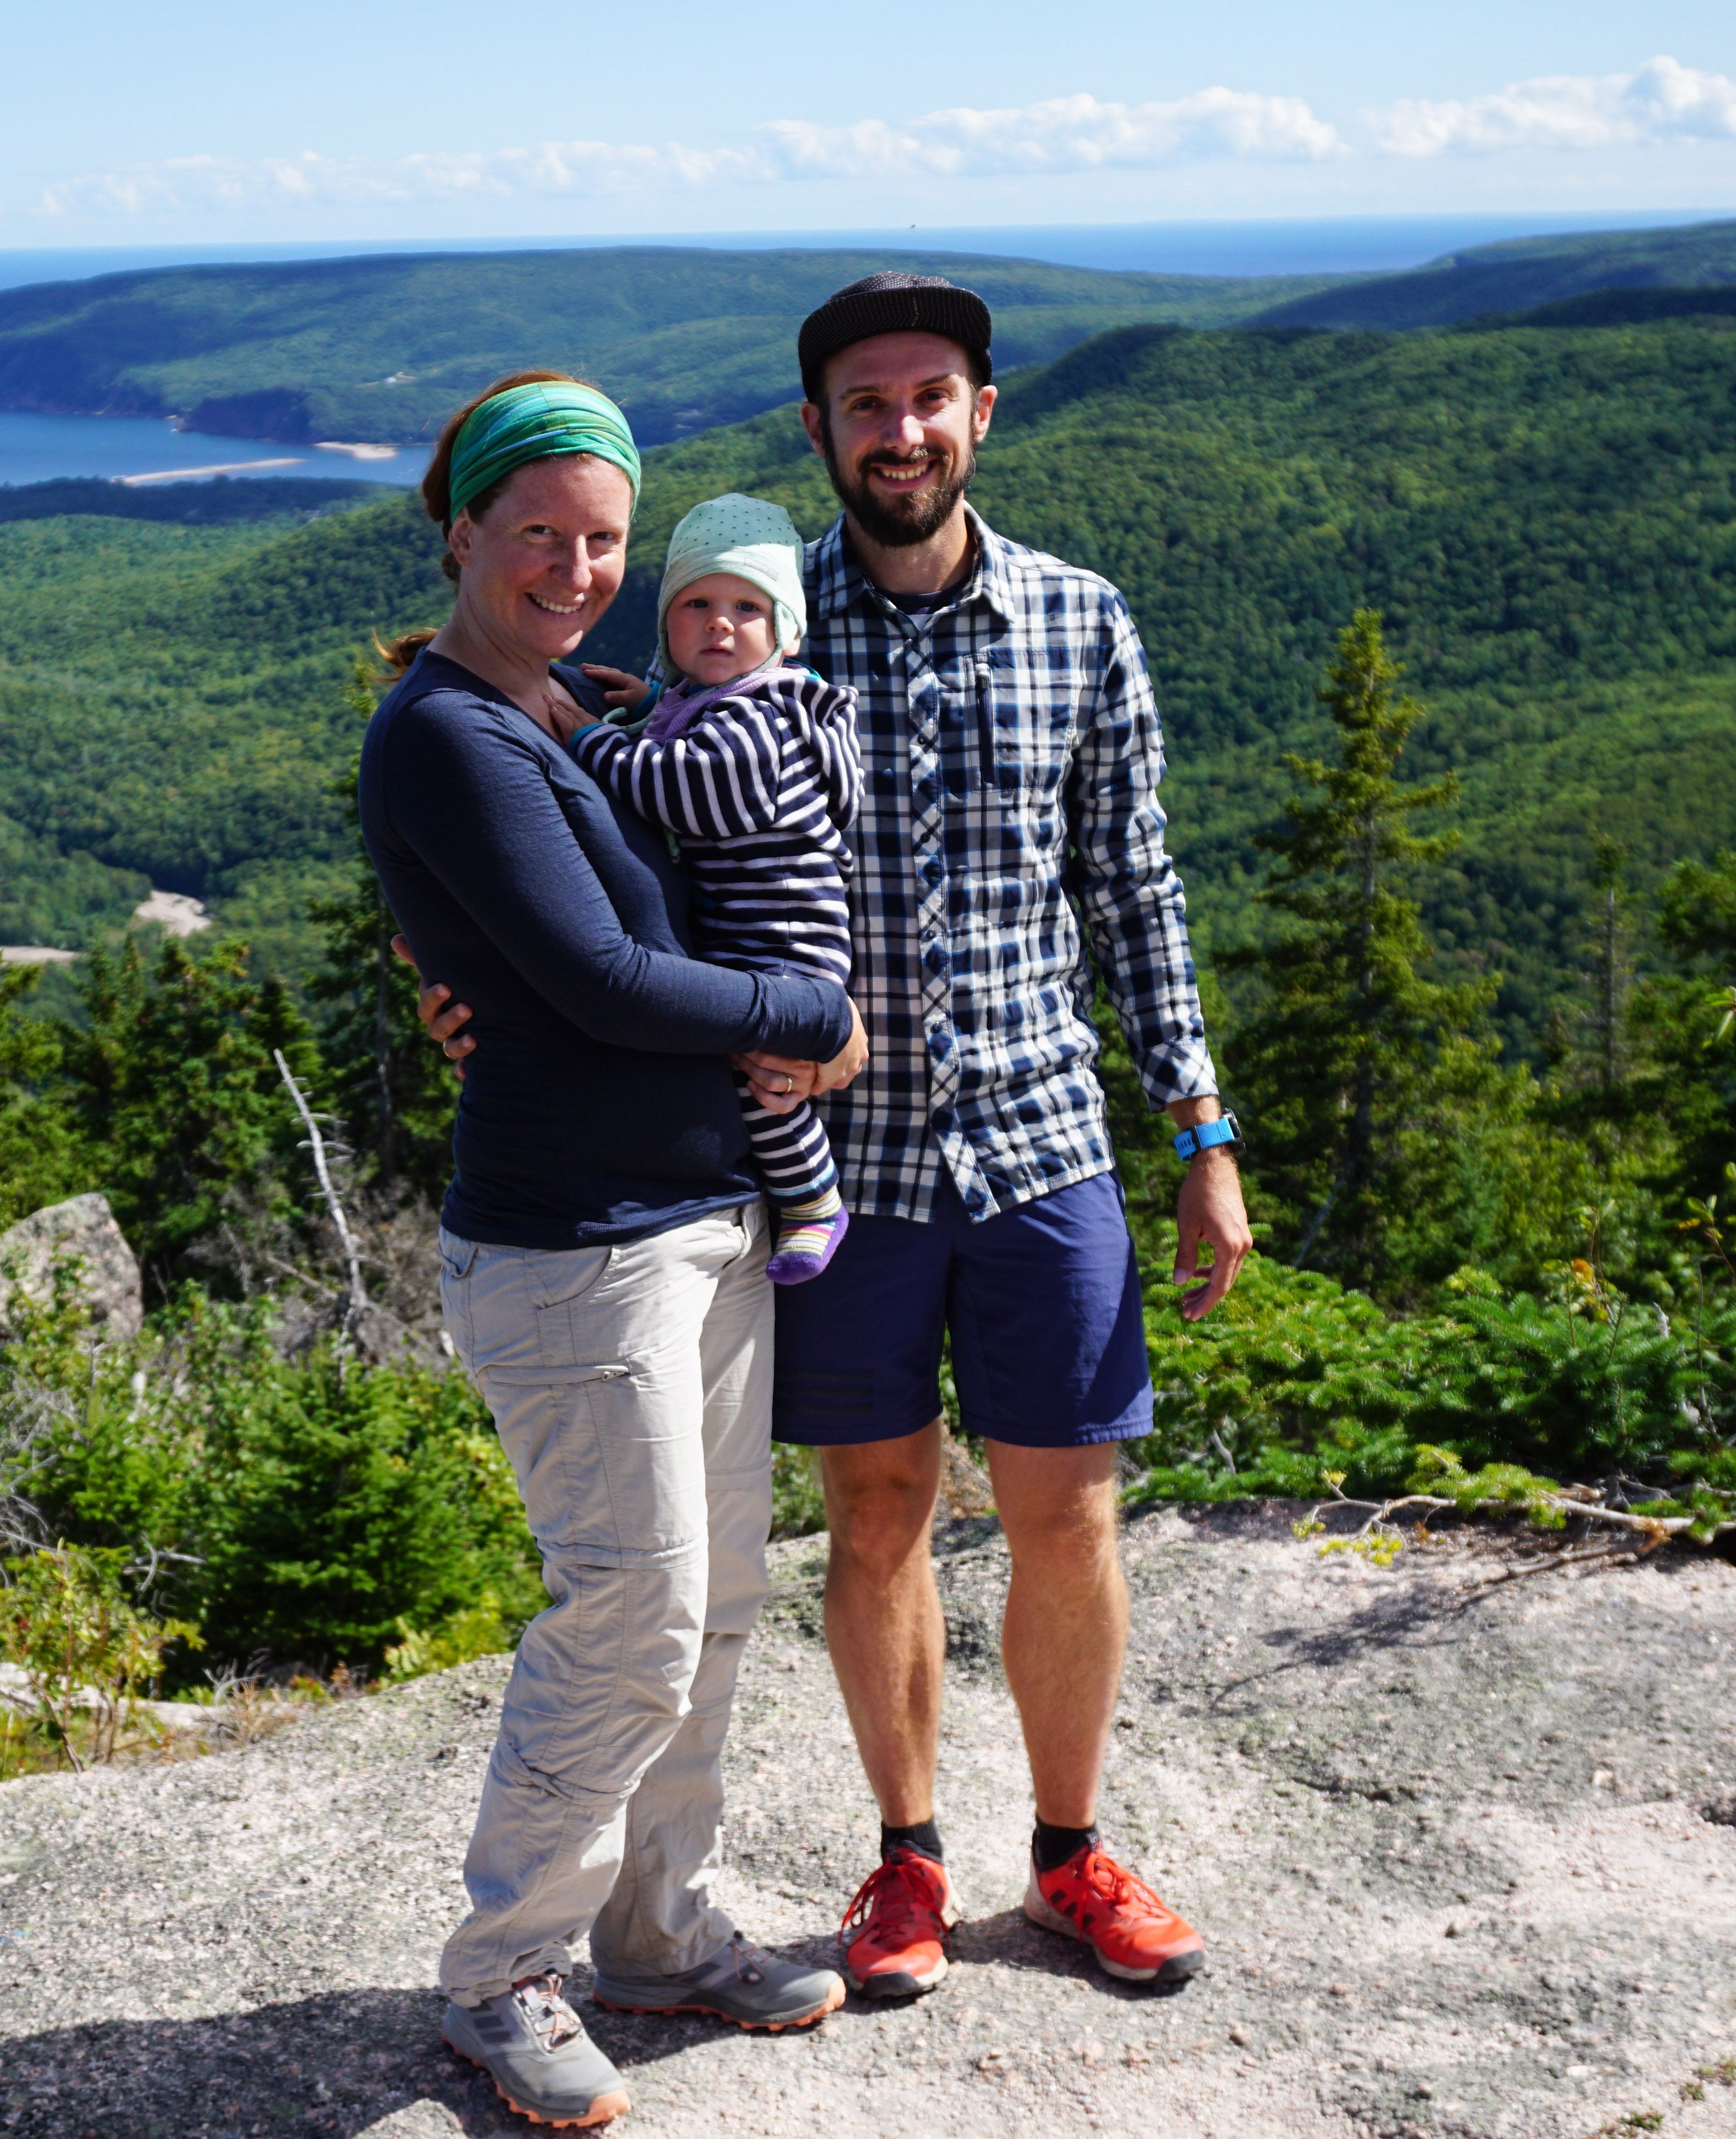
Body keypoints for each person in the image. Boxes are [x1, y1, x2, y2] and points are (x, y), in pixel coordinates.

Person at [411, 280, 1254, 2004]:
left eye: (932, 396)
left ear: (984, 413)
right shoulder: (754, 635)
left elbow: (1137, 886)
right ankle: (908, 1861)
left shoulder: (1084, 624)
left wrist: (1201, 1126)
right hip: (828, 1161)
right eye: (867, 404)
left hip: (1041, 1136)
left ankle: (1074, 1851)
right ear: (818, 431)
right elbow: (558, 815)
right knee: (875, 1511)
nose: (903, 430)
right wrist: (447, 972)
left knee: (1068, 1508)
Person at [358, 371, 858, 2129]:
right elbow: (598, 982)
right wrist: (824, 1014)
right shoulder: (448, 730)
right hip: (577, 1254)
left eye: (600, 542)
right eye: (538, 536)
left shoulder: (576, 708)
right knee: (635, 1611)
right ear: (462, 534)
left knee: (711, 1606)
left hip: (706, 1225)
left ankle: (652, 1923)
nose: (572, 567)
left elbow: (582, 943)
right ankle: (506, 1973)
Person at [567, 492, 864, 1286]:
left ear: (786, 634)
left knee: (761, 1074)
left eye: (747, 607)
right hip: (768, 932)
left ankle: (811, 1202)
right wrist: (648, 705)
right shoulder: (725, 704)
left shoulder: (758, 718)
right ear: (668, 626)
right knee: (750, 1067)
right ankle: (795, 1194)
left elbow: (688, 793)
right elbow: (689, 719)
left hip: (782, 943)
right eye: (696, 604)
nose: (719, 623)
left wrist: (593, 742)